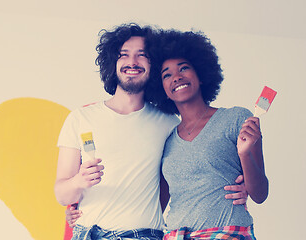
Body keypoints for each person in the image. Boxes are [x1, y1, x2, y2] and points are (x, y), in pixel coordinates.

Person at [55, 24, 248, 240]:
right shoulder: (80, 118)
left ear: (153, 65)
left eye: (142, 55)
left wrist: (243, 186)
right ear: (113, 63)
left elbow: (192, 170)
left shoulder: (168, 124)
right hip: (86, 233)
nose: (132, 62)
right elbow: (62, 194)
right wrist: (79, 181)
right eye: (124, 55)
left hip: (141, 235)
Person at [148, 29, 269, 239]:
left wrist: (244, 154)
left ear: (201, 76)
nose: (176, 77)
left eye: (184, 68)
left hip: (226, 232)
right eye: (167, 75)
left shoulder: (237, 118)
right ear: (162, 89)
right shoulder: (165, 137)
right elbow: (155, 202)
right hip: (175, 234)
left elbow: (260, 194)